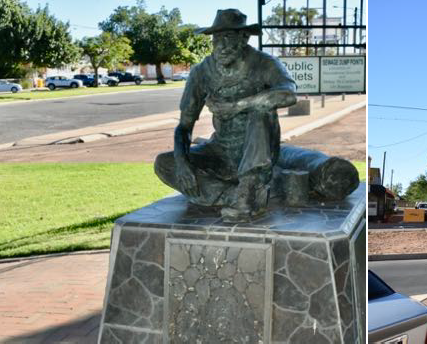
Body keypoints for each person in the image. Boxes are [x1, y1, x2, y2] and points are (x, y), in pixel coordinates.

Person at [153, 9, 358, 222]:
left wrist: (238, 105)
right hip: (220, 153)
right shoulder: (201, 72)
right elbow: (184, 128)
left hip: (259, 152)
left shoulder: (263, 63)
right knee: (164, 163)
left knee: (261, 109)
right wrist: (183, 164)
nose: (221, 46)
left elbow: (288, 94)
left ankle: (248, 188)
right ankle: (236, 194)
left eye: (228, 38)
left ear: (243, 38)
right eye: (216, 39)